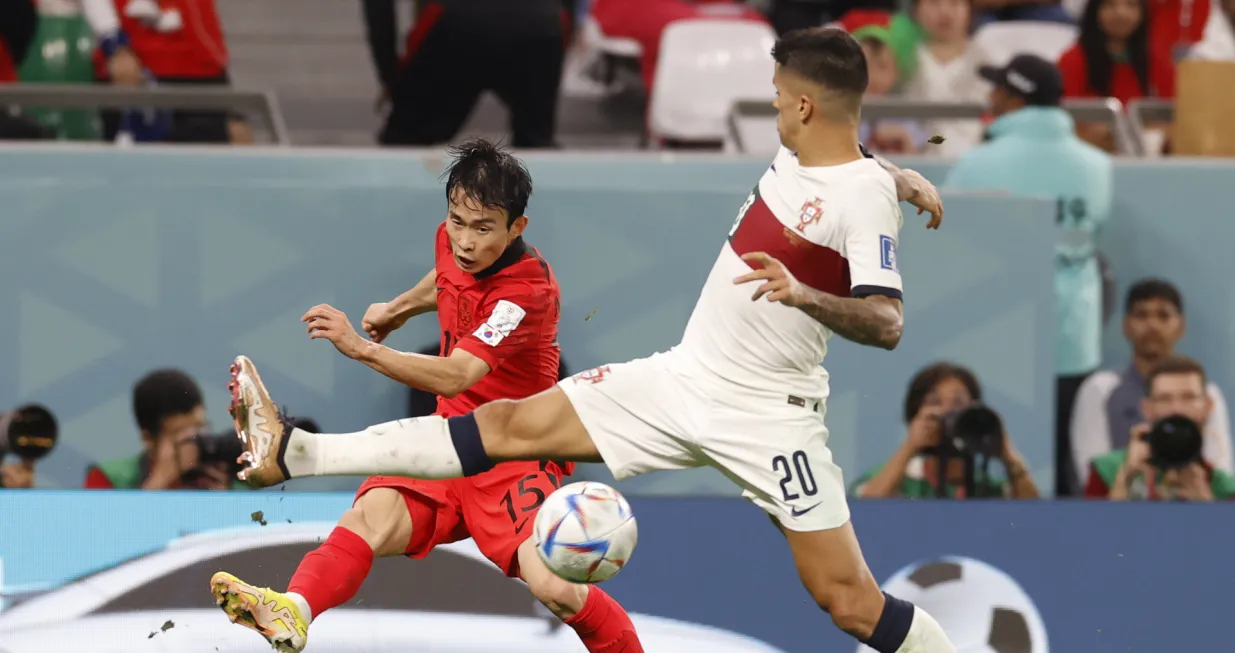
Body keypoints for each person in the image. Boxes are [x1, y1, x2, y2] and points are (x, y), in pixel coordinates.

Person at [227, 28, 955, 653]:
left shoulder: (858, 198)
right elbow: (836, 156)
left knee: (848, 602)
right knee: (505, 423)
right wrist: (895, 173)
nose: (769, 106)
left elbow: (885, 322)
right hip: (683, 378)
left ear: (803, 105)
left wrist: (806, 289)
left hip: (769, 415)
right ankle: (298, 451)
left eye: (775, 95)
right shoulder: (820, 158)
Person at [210, 140, 645, 653]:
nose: (465, 240)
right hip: (443, 441)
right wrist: (399, 308)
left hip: (513, 453)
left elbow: (459, 374)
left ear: (516, 229)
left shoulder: (525, 294)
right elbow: (446, 276)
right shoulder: (453, 241)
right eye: (458, 220)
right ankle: (294, 611)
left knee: (555, 587)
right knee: (368, 520)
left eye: (483, 229)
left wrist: (361, 348)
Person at [943, 53, 1113, 496]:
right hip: (1073, 342)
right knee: (1065, 473)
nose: (990, 95)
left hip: (996, 341)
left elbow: (952, 248)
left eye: (997, 88)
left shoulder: (976, 165)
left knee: (989, 472)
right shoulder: (1098, 167)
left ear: (1013, 98)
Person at [1071, 279, 1232, 481]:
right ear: (1126, 326)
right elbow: (1092, 475)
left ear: (1181, 326)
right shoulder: (1099, 389)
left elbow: (1222, 473)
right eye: (1141, 315)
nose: (1152, 325)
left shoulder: (1207, 393)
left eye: (1163, 316)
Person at [361, 0, 569, 148]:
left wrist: (390, 75)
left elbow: (379, 5)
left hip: (455, 20)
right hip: (540, 22)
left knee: (403, 142)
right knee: (537, 145)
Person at [851, 362, 1039, 499]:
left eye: (958, 403)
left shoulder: (990, 488)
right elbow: (864, 513)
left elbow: (1039, 521)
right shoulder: (902, 479)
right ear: (915, 416)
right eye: (935, 403)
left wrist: (1006, 451)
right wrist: (910, 446)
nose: (948, 413)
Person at [1084, 356, 1235, 500]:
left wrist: (1208, 508)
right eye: (1164, 399)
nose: (1176, 409)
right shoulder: (1106, 471)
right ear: (1147, 408)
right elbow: (1091, 525)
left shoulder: (1227, 490)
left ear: (1207, 406)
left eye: (1188, 397)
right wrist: (1126, 479)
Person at [84, 369, 236, 490]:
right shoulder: (109, 479)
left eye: (201, 428)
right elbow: (100, 527)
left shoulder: (230, 476)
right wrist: (159, 482)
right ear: (148, 439)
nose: (195, 441)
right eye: (181, 434)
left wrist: (221, 500)